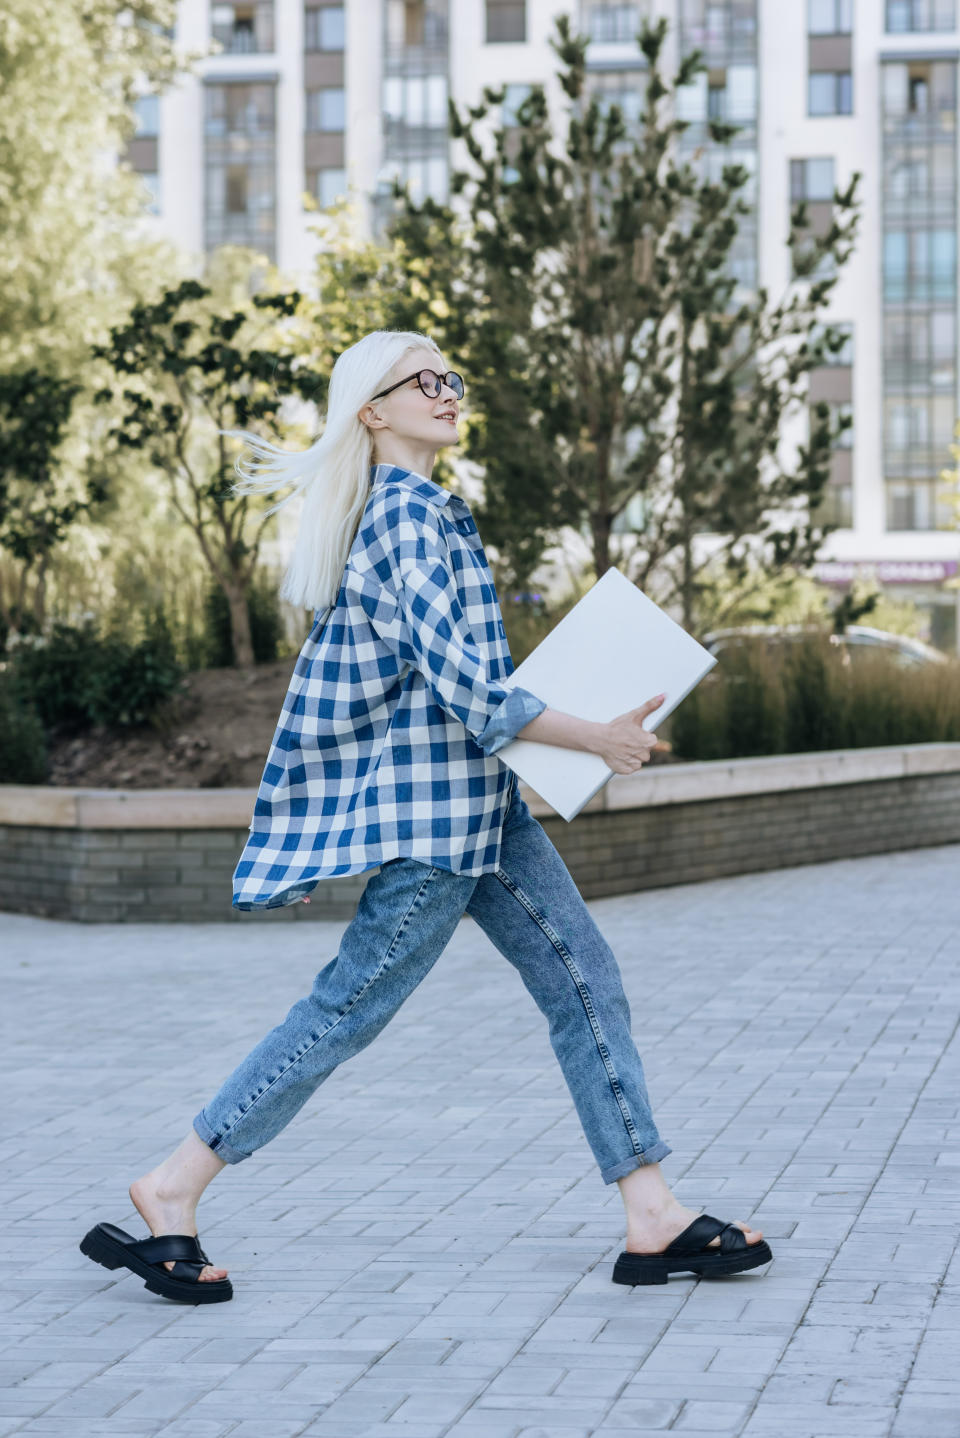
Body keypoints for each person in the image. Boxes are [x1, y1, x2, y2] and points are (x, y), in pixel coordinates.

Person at [80, 330, 771, 1304]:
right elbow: (473, 694)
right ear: (374, 409)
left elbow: (470, 689)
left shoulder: (432, 511)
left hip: (478, 813)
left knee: (583, 978)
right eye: (426, 381)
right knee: (347, 1011)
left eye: (454, 376)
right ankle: (172, 1184)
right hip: (435, 828)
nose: (449, 392)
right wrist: (598, 739)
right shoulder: (404, 518)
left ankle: (651, 1214)